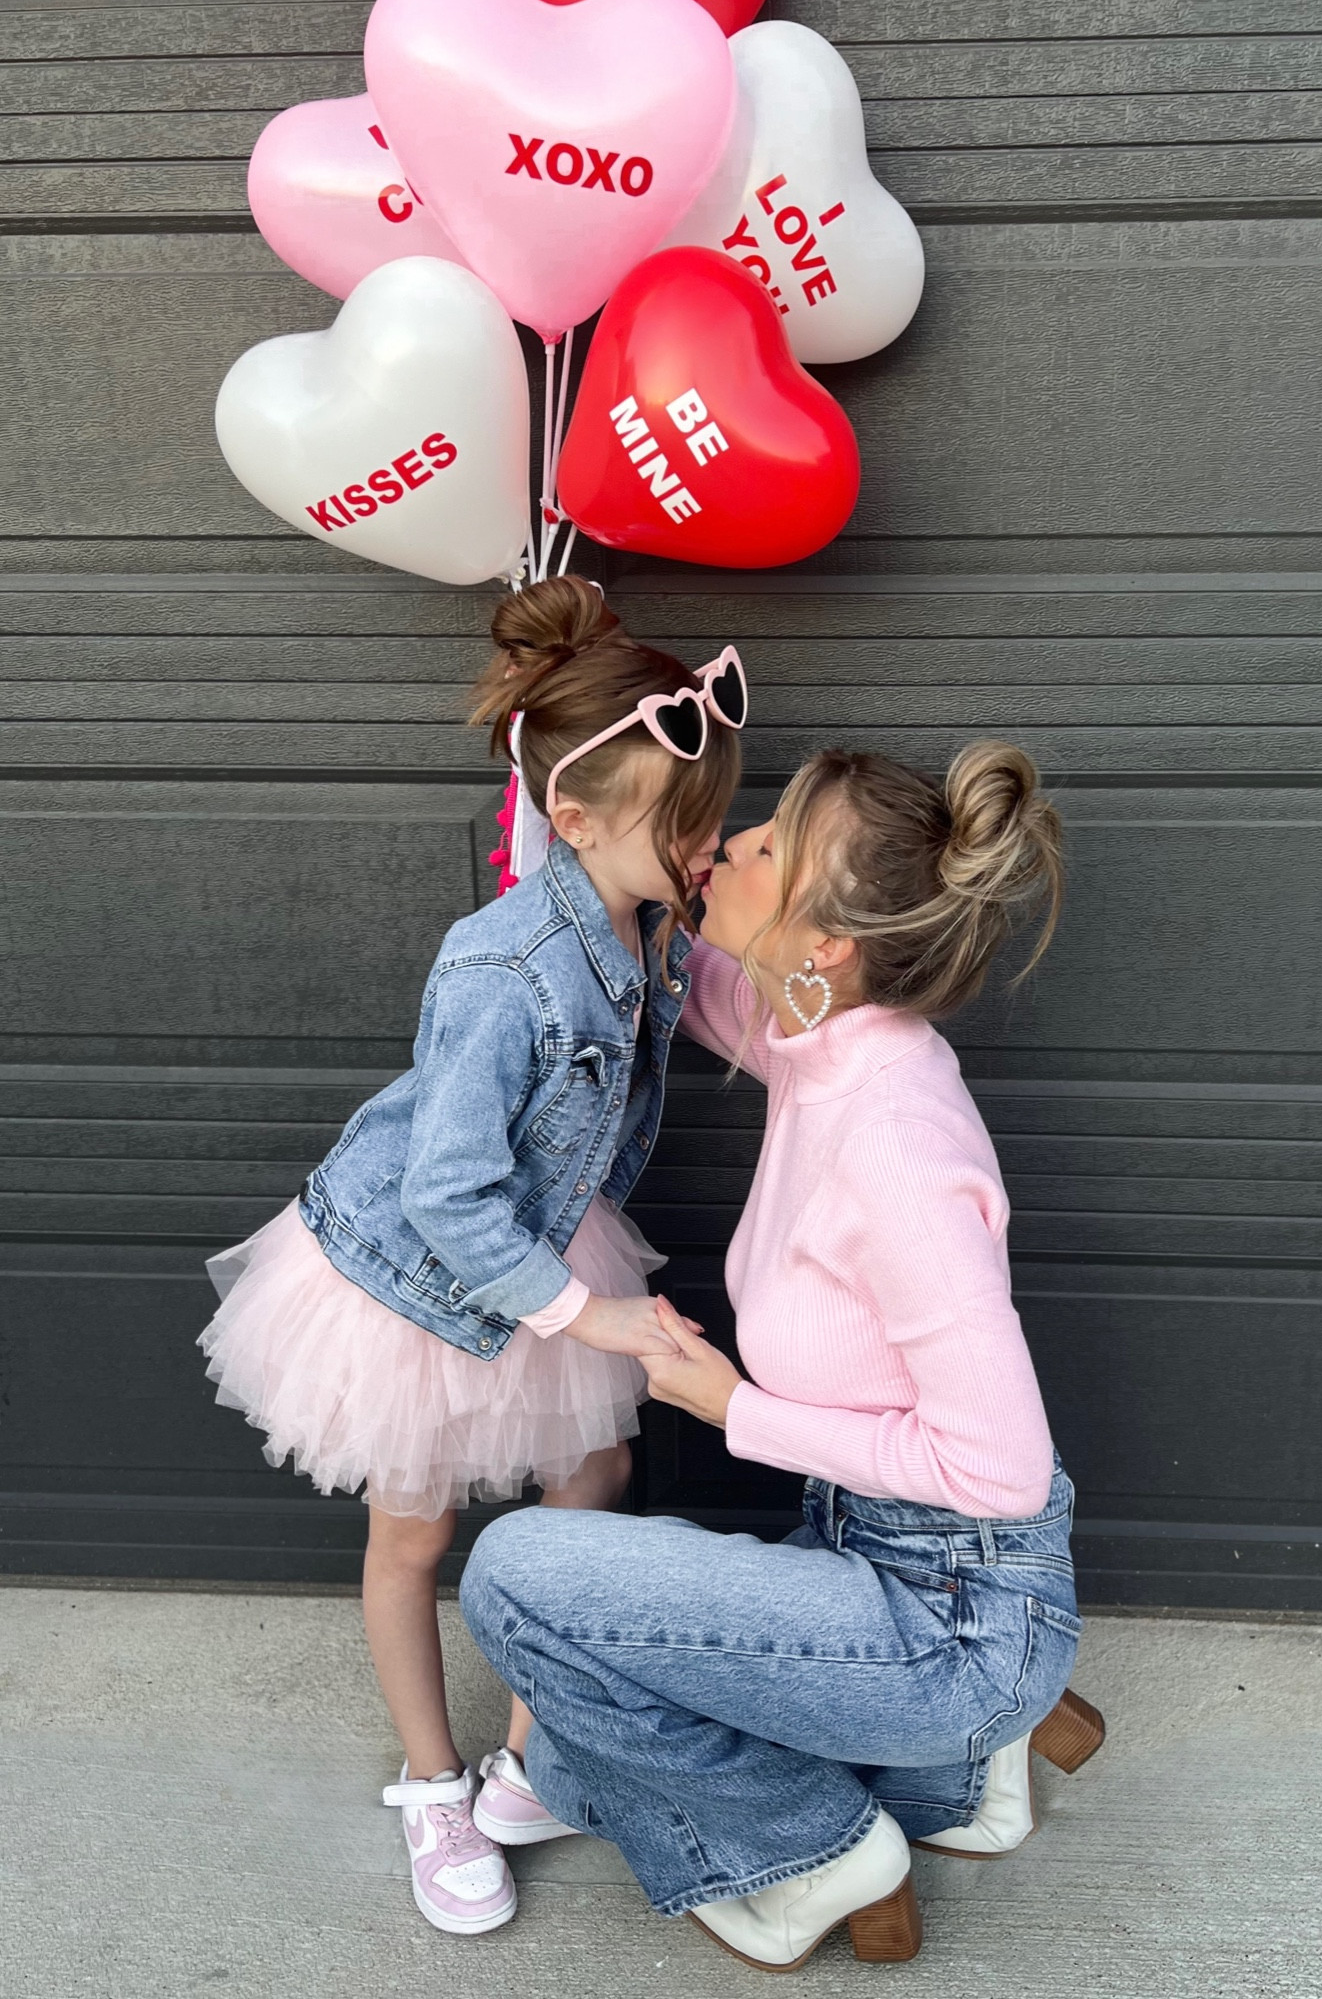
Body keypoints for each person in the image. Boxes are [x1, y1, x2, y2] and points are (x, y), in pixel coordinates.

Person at [459, 738, 1098, 1972]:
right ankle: (962, 1776)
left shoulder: (897, 1142)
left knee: (514, 1583)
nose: (733, 843)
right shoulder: (818, 1031)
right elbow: (683, 970)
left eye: (766, 846)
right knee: (559, 1759)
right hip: (871, 1551)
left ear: (828, 944)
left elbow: (1004, 1468)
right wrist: (578, 818)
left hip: (955, 1612)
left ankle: (824, 1845)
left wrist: (734, 1404)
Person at [197, 577, 744, 1935]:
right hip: (419, 1269)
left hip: (545, 1236)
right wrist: (590, 1319)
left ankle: (525, 1758)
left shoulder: (643, 916)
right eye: (687, 824)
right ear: (577, 822)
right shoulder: (502, 970)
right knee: (417, 1524)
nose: (710, 844)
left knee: (597, 1467)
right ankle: (431, 1784)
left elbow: (682, 1021)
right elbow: (447, 1195)